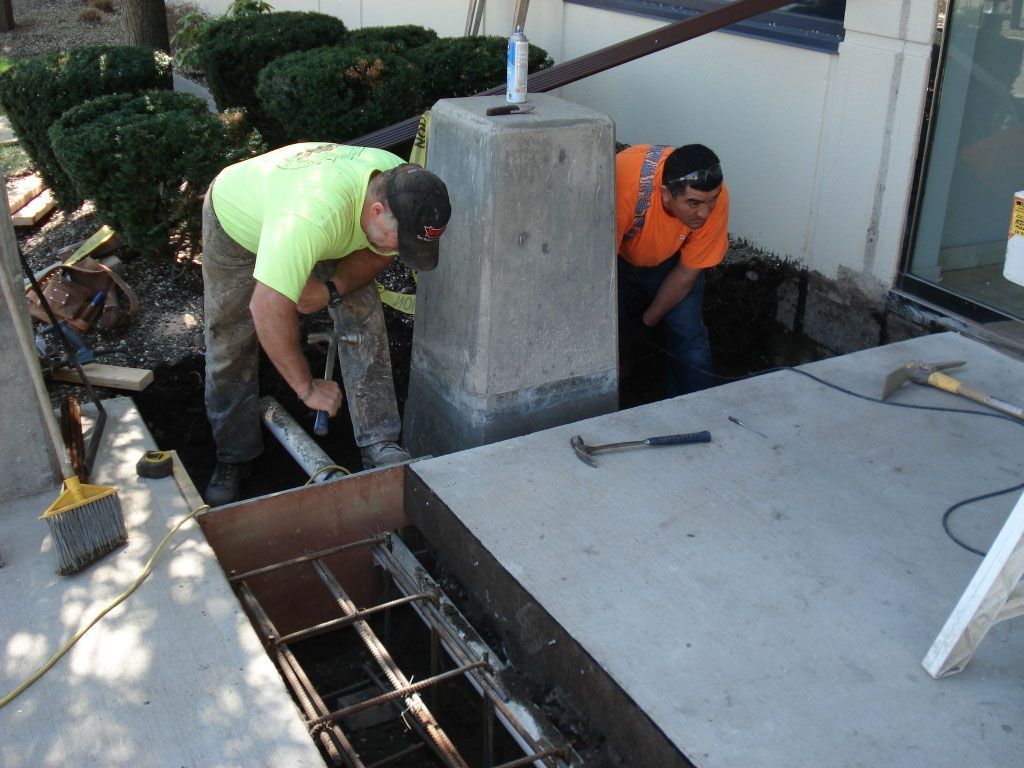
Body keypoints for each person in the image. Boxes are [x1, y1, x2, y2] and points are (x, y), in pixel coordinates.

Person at [201, 142, 451, 506]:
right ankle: (234, 455)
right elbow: (266, 309)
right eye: (404, 244)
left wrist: (331, 289)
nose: (403, 255)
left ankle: (379, 444)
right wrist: (307, 389)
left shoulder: (401, 187)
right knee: (229, 338)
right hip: (237, 220)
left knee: (363, 314)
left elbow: (382, 251)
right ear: (377, 212)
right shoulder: (312, 217)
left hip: (315, 225)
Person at [615, 143, 729, 396]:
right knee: (609, 333)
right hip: (613, 256)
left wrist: (646, 323)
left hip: (669, 256)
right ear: (666, 193)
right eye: (693, 203)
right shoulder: (622, 188)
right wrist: (621, 335)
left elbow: (687, 273)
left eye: (712, 202)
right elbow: (595, 274)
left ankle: (698, 405)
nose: (705, 213)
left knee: (689, 334)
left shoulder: (713, 198)